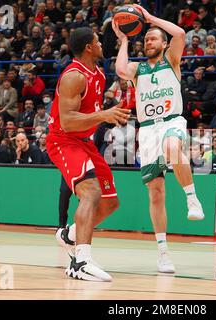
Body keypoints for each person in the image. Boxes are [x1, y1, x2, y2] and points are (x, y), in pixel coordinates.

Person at [113, 4, 204, 274]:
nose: (148, 42)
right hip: (148, 128)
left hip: (172, 120)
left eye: (153, 38)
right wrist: (125, 40)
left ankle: (191, 198)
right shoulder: (137, 69)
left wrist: (150, 19)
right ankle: (163, 253)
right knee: (156, 192)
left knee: (172, 146)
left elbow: (180, 34)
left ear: (163, 44)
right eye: (146, 39)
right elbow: (119, 69)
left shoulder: (171, 61)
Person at [47, 27, 130, 282]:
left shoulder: (99, 74)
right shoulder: (73, 76)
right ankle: (80, 261)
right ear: (88, 48)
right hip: (64, 140)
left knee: (110, 201)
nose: (101, 44)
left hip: (85, 142)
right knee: (91, 192)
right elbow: (69, 121)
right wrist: (103, 115)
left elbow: (88, 114)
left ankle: (70, 234)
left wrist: (111, 113)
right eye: (97, 41)